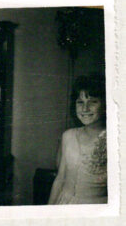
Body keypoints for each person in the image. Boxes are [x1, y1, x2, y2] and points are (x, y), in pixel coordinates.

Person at [48, 76, 107, 204]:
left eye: (92, 102)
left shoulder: (113, 139)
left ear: (105, 106)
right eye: (80, 102)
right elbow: (60, 179)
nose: (85, 109)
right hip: (64, 203)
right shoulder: (68, 136)